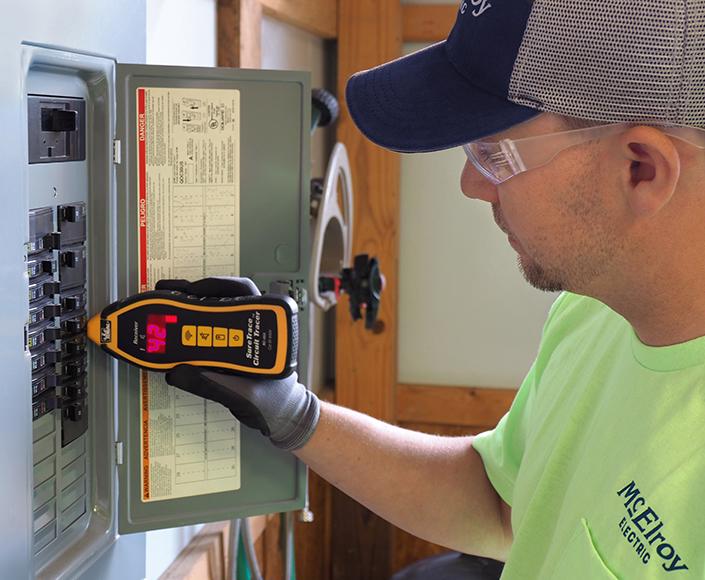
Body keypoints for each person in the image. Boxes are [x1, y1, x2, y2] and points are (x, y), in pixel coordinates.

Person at [166, 1, 705, 577]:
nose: (472, 184)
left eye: (495, 153)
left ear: (640, 168)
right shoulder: (594, 311)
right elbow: (499, 504)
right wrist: (297, 416)